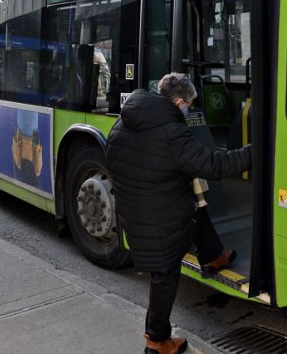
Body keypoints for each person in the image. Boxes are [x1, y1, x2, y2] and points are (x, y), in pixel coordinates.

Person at [105, 72, 251, 354]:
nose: (189, 111)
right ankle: (157, 342)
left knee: (196, 207)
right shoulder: (173, 132)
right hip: (161, 220)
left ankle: (212, 256)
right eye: (190, 105)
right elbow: (214, 165)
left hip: (136, 210)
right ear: (180, 102)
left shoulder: (122, 123)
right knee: (164, 276)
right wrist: (256, 151)